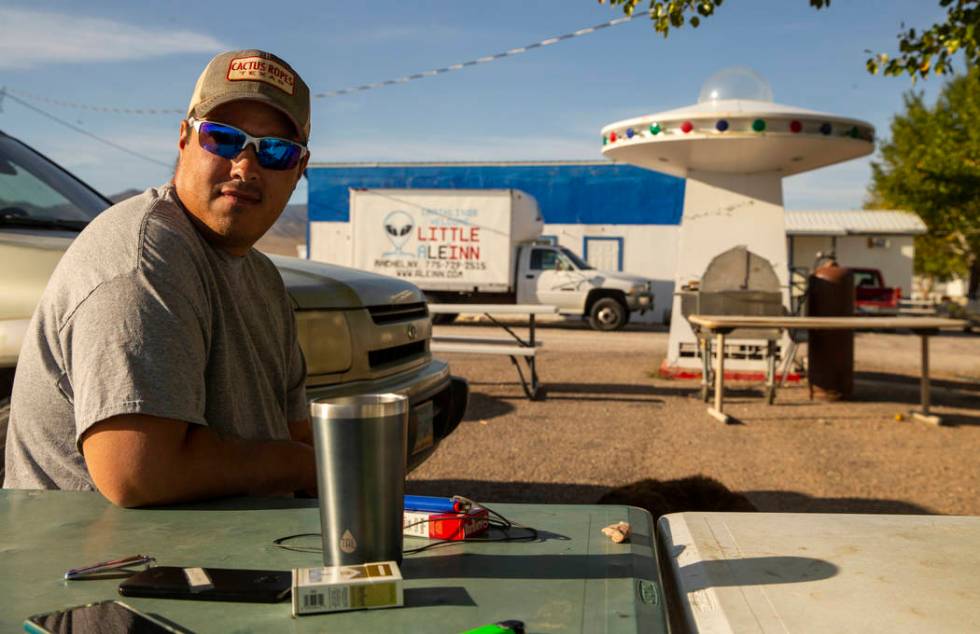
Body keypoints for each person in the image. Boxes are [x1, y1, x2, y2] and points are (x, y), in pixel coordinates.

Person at [3, 50, 317, 507]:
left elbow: (295, 431)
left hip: (222, 555)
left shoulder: (264, 279)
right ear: (184, 138)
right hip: (106, 566)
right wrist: (304, 465)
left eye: (276, 151)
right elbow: (138, 472)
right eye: (224, 139)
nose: (246, 167)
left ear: (299, 171)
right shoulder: (142, 259)